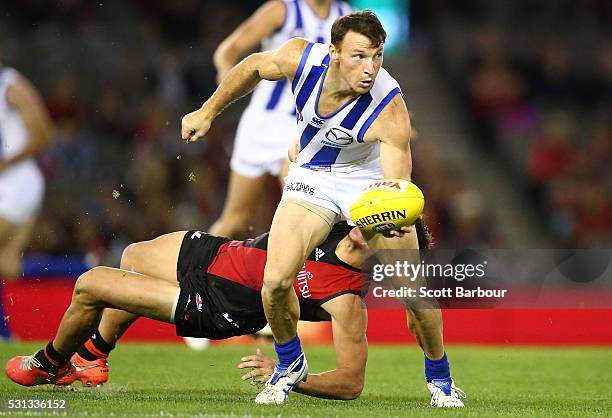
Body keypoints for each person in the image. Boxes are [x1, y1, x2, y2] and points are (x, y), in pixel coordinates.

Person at [181, 11, 464, 407]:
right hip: (314, 176)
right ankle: (289, 365)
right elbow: (252, 66)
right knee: (276, 281)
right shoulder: (301, 58)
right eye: (359, 56)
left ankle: (441, 380)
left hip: (369, 185)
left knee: (413, 295)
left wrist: (400, 216)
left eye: (377, 56)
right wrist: (207, 112)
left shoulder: (389, 109)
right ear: (333, 52)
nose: (370, 68)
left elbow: (396, 182)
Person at [6, 221, 417, 400]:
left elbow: (352, 382)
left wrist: (290, 377)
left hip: (221, 306)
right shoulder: (334, 221)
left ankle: (51, 363)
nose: (375, 225)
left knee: (91, 284)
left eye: (389, 229)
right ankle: (94, 356)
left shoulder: (347, 301)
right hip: (217, 252)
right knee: (132, 255)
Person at [210, 0, 350, 238]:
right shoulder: (282, 10)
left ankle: (297, 272)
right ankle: (197, 269)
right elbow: (228, 49)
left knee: (310, 214)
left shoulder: (347, 16)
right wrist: (226, 72)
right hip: (262, 123)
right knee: (236, 220)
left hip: (305, 129)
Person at [0, 49, 54, 280]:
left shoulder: (12, 88)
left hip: (19, 182)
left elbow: (44, 135)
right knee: (7, 262)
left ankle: (83, 267)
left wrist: (6, 162)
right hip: (9, 182)